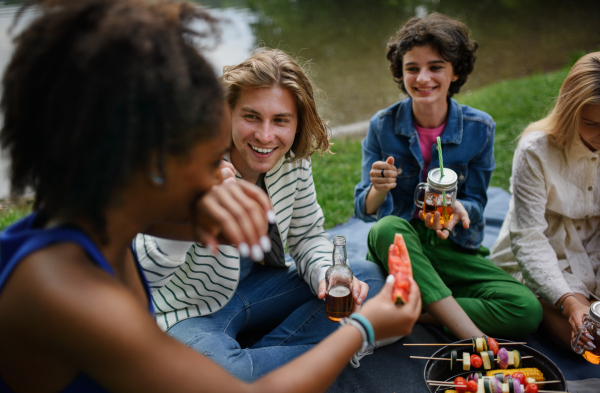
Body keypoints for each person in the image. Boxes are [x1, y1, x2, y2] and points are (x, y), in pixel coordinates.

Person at [0, 1, 423, 392]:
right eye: (209, 166)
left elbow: (304, 239)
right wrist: (361, 330)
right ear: (148, 166)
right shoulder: (61, 289)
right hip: (196, 337)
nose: (222, 183)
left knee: (368, 277)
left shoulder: (96, 222)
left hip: (234, 305)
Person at [137, 49, 394, 381]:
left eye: (281, 120)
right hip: (190, 310)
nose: (265, 136)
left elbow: (306, 238)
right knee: (224, 373)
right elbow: (143, 273)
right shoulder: (186, 166)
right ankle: (337, 350)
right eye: (251, 116)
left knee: (369, 278)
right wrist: (192, 217)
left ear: (298, 122)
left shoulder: (292, 161)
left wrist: (325, 274)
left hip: (260, 288)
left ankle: (267, 362)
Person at [354, 13, 542, 339]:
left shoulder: (479, 128)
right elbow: (364, 209)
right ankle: (471, 334)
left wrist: (461, 211)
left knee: (527, 309)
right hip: (400, 247)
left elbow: (478, 203)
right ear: (401, 73)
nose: (423, 78)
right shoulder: (382, 126)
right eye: (412, 68)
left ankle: (417, 310)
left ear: (455, 72)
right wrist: (379, 189)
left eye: (435, 67)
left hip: (451, 247)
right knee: (388, 226)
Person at [491, 52, 600, 351]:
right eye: (592, 123)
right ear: (570, 112)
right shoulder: (535, 150)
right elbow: (529, 239)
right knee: (586, 342)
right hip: (547, 252)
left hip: (595, 247)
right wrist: (568, 303)